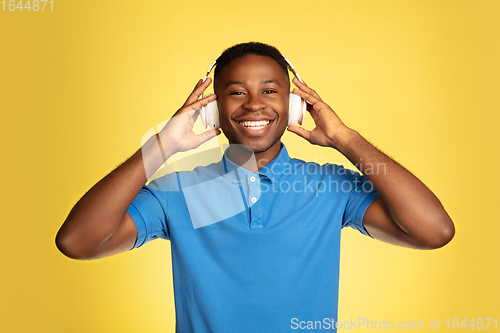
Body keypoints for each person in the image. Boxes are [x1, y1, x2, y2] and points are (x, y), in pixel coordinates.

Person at [56, 42, 454, 332]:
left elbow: (434, 231)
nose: (253, 104)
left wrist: (345, 138)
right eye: (235, 92)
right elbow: (77, 242)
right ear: (212, 108)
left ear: (295, 105)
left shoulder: (331, 187)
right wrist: (163, 146)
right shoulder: (175, 192)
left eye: (269, 90)